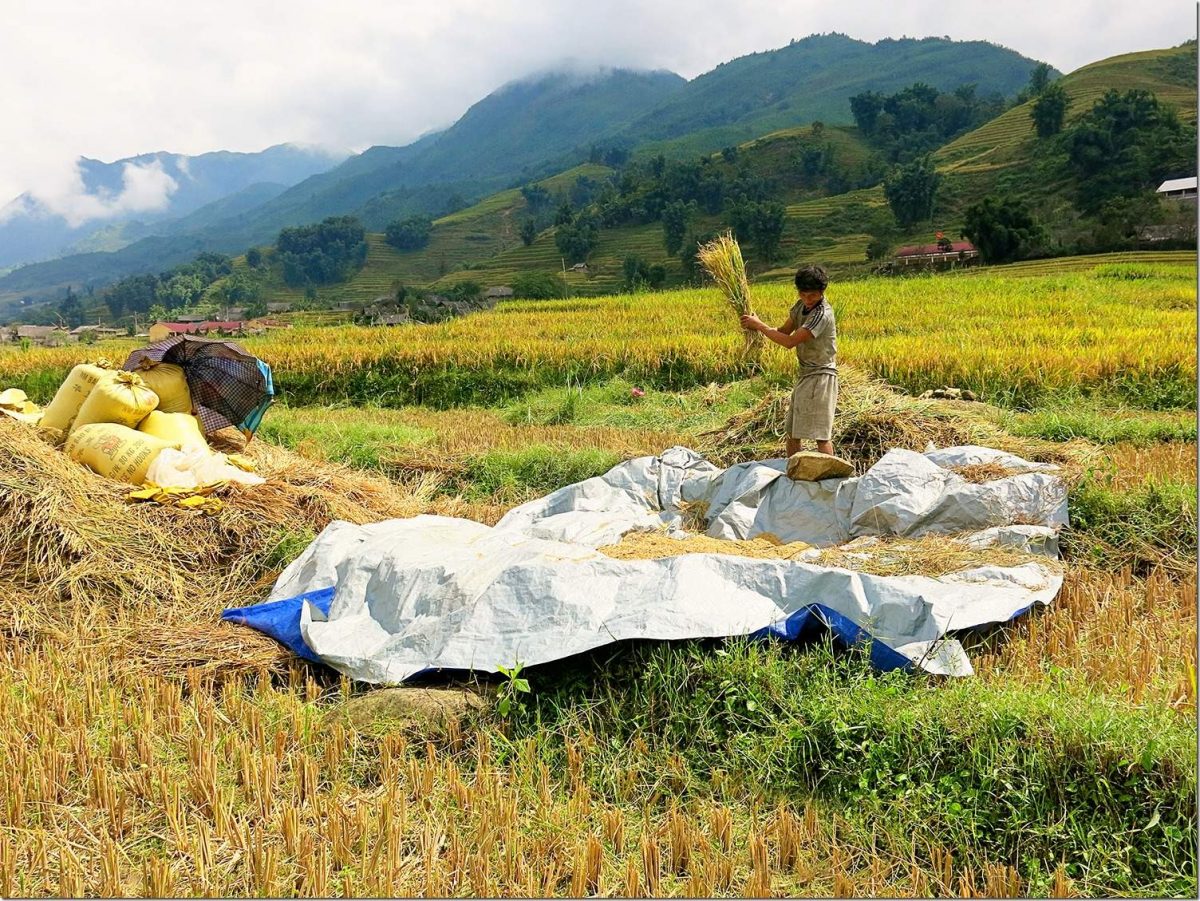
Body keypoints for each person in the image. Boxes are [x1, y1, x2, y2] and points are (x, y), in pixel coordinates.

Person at [739, 264, 837, 458]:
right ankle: (793, 472)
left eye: (813, 296)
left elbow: (790, 342)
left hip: (821, 377)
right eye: (803, 294)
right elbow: (784, 331)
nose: (808, 300)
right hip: (805, 375)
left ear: (822, 292)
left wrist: (760, 326)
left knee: (821, 435)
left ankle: (831, 481)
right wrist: (759, 324)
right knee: (792, 432)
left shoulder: (821, 315)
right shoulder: (801, 306)